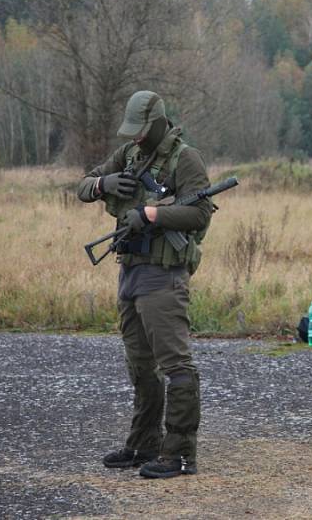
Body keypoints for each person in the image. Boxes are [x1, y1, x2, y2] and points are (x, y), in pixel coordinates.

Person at [77, 90, 211, 477]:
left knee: (175, 365)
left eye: (140, 130)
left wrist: (152, 213)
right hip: (130, 270)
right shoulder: (128, 156)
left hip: (163, 276)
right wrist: (104, 185)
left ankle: (181, 453)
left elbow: (200, 212)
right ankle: (144, 443)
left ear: (156, 123)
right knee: (140, 365)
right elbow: (83, 185)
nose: (134, 137)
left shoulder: (186, 158)